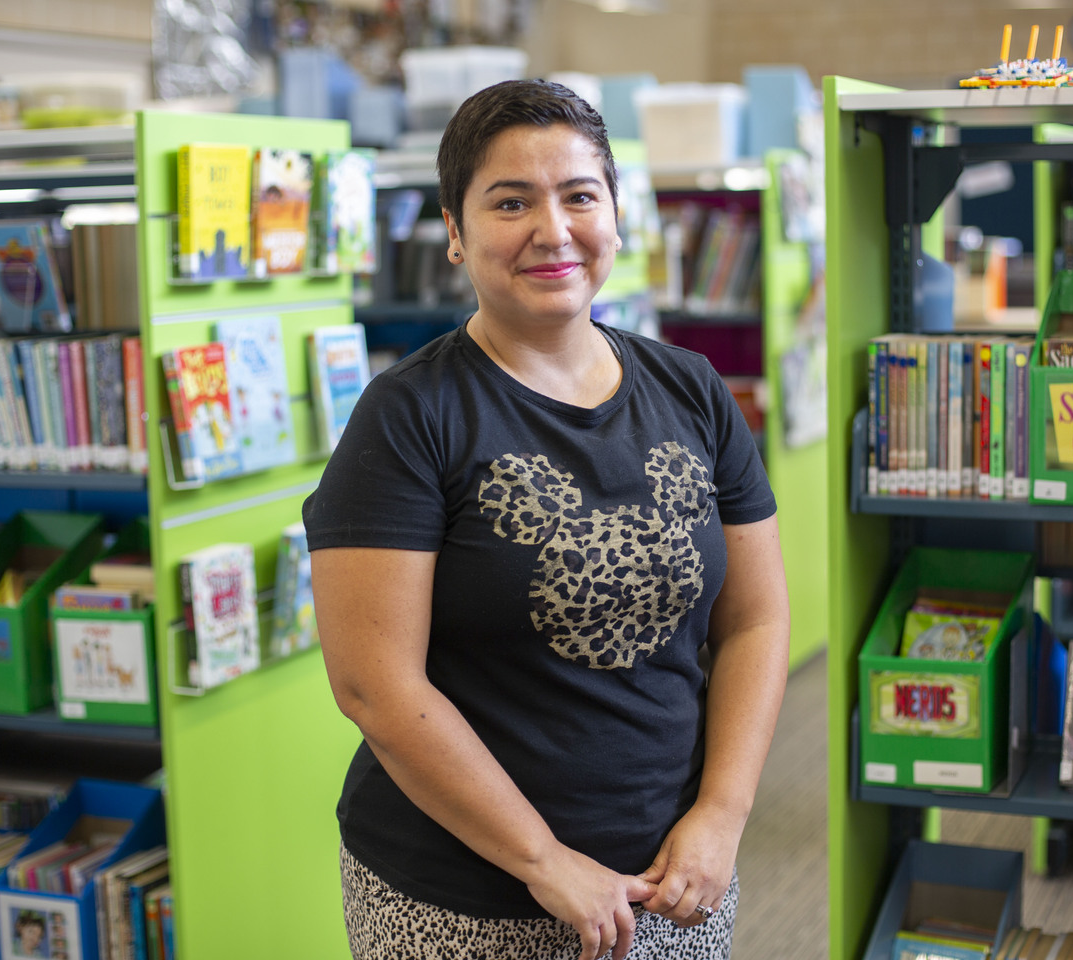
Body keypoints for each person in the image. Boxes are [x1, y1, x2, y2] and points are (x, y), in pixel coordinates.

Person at [303, 77, 790, 960]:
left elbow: (755, 618)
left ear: (615, 212)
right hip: (464, 895)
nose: (553, 230)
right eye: (510, 202)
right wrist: (544, 861)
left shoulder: (692, 389)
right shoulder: (411, 414)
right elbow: (376, 684)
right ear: (455, 232)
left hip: (672, 879)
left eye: (579, 196)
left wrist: (722, 814)